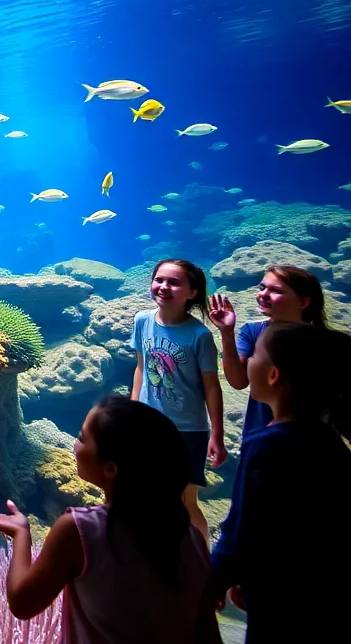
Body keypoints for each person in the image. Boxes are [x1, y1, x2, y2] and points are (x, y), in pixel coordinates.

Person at [0, 395, 220, 643]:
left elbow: (22, 603)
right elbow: (208, 633)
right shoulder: (191, 539)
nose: (74, 445)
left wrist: (21, 534)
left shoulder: (79, 529)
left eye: (81, 438)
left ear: (111, 468)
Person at [209, 322, 351, 642]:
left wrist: (213, 582)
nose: (250, 361)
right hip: (323, 590)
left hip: (277, 592)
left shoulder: (265, 446)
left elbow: (241, 532)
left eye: (255, 354)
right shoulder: (330, 441)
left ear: (273, 375)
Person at [130, 259, 226, 538]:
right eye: (159, 279)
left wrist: (216, 435)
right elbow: (140, 368)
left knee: (185, 500)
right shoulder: (141, 321)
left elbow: (211, 386)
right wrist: (133, 411)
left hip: (188, 430)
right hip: (148, 425)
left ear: (192, 292)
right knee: (145, 492)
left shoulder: (200, 335)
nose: (163, 287)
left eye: (174, 282)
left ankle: (201, 562)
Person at [207, 264, 329, 444]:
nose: (263, 294)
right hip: (259, 432)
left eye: (276, 290)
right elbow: (239, 381)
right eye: (262, 287)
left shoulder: (325, 344)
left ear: (302, 302)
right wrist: (226, 331)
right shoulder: (252, 331)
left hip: (309, 439)